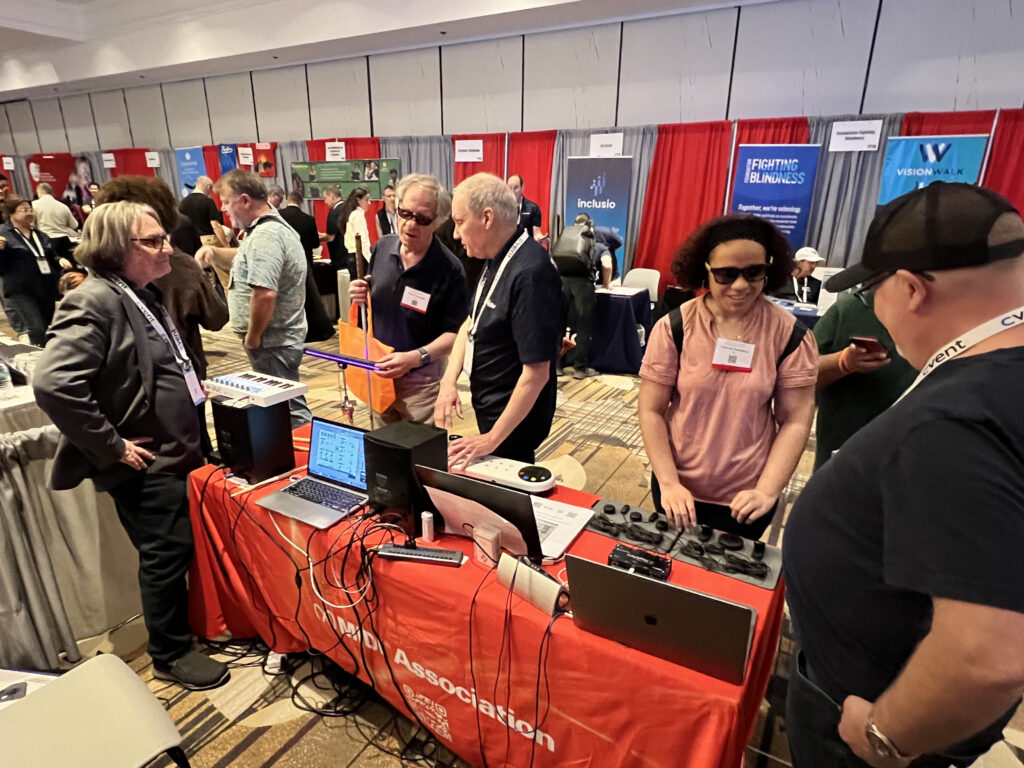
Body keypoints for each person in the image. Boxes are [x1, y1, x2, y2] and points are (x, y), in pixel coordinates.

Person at [783, 183, 1024, 768]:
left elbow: (987, 655)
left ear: (913, 289)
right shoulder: (999, 378)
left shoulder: (951, 419)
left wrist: (886, 734)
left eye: (874, 290)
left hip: (873, 720)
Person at [32, 200, 230, 691]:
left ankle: (184, 633)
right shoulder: (93, 299)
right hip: (147, 461)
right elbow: (54, 384)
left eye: (166, 238)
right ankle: (170, 653)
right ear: (117, 248)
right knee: (165, 555)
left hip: (177, 449)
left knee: (176, 548)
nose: (168, 248)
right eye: (153, 241)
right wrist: (112, 446)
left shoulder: (138, 292)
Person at [637, 214, 817, 540]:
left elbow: (795, 420)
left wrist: (767, 490)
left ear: (769, 268)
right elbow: (650, 409)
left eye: (754, 272)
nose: (740, 285)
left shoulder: (790, 335)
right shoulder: (674, 328)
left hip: (747, 498)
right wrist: (668, 483)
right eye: (726, 274)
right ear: (705, 269)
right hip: (677, 490)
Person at [97, 175, 229, 457]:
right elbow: (217, 318)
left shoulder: (102, 276)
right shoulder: (180, 265)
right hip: (178, 377)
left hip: (132, 390)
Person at [435, 173, 562, 464]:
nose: (456, 234)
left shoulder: (531, 272)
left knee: (507, 487)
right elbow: (471, 321)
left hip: (514, 424)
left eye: (459, 222)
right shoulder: (496, 257)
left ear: (487, 218)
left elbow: (536, 373)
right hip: (491, 404)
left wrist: (493, 438)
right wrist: (448, 381)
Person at [349, 174, 468, 423]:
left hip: (421, 382)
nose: (411, 224)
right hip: (379, 372)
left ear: (437, 222)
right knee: (381, 441)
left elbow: (456, 335)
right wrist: (362, 293)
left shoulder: (449, 268)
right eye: (405, 214)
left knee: (420, 445)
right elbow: (377, 296)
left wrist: (415, 357)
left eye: (422, 219)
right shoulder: (382, 248)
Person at [198, 169, 310, 428]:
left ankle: (304, 450)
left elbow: (265, 293)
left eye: (226, 201)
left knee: (289, 409)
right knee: (283, 406)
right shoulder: (264, 232)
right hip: (275, 338)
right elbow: (244, 259)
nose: (224, 209)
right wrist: (214, 252)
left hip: (272, 340)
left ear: (245, 200)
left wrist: (253, 336)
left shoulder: (265, 236)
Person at [811, 290, 915, 470]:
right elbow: (799, 374)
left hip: (909, 451)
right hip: (842, 449)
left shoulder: (947, 315)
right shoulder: (851, 308)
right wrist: (843, 363)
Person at [0, 196, 64, 346]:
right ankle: (39, 356)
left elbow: (50, 255)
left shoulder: (39, 234)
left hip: (44, 286)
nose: (29, 213)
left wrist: (59, 260)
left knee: (49, 327)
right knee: (36, 328)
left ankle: (49, 354)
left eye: (30, 209)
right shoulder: (3, 233)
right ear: (11, 213)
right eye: (23, 210)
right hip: (19, 288)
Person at [280, 190, 335, 343]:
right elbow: (315, 244)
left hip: (284, 265)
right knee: (308, 300)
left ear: (287, 201)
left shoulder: (278, 217)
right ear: (301, 202)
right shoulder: (308, 219)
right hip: (304, 264)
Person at [179, 176, 231, 286]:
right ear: (208, 187)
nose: (211, 193)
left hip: (193, 243)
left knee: (206, 277)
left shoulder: (182, 203)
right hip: (209, 241)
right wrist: (226, 246)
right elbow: (216, 226)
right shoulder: (208, 202)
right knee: (225, 276)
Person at [31, 182, 80, 265]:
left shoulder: (33, 205)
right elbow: (74, 225)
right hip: (64, 241)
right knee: (69, 266)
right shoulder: (63, 206)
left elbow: (31, 225)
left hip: (46, 242)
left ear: (39, 191)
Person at [341, 186, 371, 278]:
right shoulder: (358, 215)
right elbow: (362, 241)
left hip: (352, 256)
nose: (369, 203)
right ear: (358, 200)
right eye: (366, 200)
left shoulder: (351, 214)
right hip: (359, 257)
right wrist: (371, 261)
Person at [506, 174, 543, 239]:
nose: (512, 191)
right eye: (510, 188)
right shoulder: (502, 208)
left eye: (516, 188)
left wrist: (541, 239)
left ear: (522, 187)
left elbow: (537, 233)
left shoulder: (533, 208)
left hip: (526, 244)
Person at [322, 185, 346, 271]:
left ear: (332, 197)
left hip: (339, 259)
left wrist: (313, 239)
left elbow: (331, 237)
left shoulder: (334, 213)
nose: (325, 201)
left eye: (325, 198)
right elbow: (338, 233)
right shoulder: (347, 208)